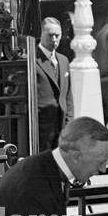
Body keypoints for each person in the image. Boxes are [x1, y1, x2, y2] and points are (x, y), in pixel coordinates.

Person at [35, 17, 72, 150]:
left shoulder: (64, 60)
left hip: (61, 129)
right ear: (40, 34)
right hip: (40, 130)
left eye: (58, 35)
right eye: (50, 35)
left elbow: (68, 97)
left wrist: (69, 124)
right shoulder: (31, 60)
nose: (54, 39)